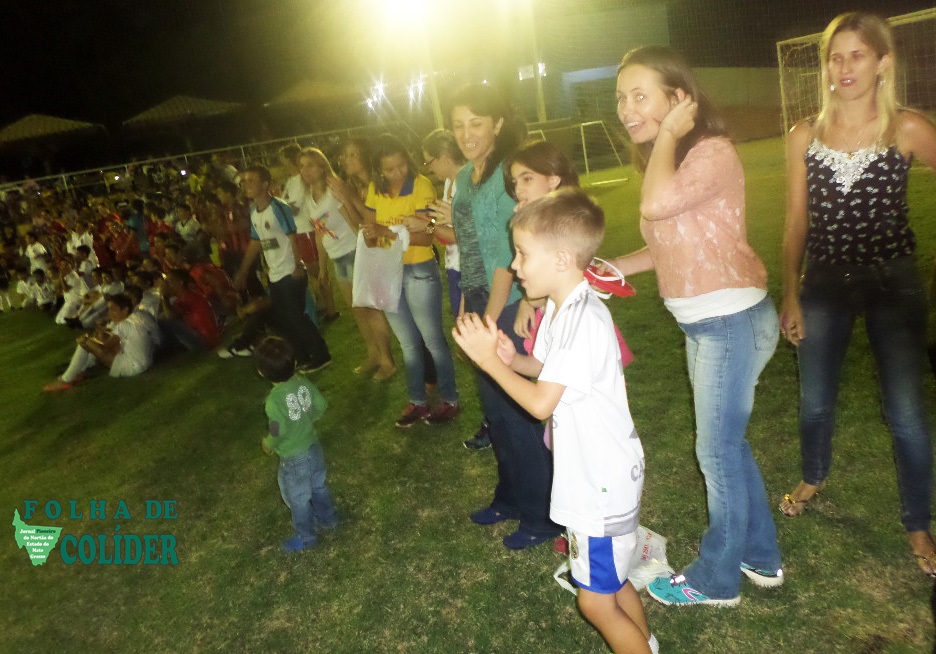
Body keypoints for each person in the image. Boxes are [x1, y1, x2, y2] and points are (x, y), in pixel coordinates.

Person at [609, 46, 782, 606]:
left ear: (680, 98)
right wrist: (615, 266)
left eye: (641, 95)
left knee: (717, 453)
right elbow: (670, 241)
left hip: (729, 320)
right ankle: (761, 555)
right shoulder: (675, 160)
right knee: (730, 446)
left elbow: (657, 207)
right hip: (710, 323)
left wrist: (666, 136)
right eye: (621, 98)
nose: (626, 109)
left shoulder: (710, 151)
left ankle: (716, 579)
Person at [452, 190, 654, 654]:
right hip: (595, 476)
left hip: (599, 486)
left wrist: (489, 363)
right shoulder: (563, 308)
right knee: (612, 583)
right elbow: (548, 371)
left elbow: (542, 404)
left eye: (523, 253)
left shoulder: (582, 319)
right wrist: (511, 359)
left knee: (596, 603)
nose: (514, 265)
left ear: (562, 259)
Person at [777, 12, 936, 577]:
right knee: (816, 400)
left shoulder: (907, 128)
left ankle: (918, 522)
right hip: (823, 281)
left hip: (894, 283)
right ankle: (813, 476)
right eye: (835, 56)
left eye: (858, 55)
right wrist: (790, 293)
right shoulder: (804, 135)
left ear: (882, 63)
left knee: (907, 413)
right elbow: (796, 221)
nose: (844, 67)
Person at [449, 83, 561, 549]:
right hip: (478, 297)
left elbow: (502, 256)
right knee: (495, 411)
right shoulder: (465, 175)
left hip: (509, 300)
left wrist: (490, 320)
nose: (466, 133)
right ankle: (511, 497)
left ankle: (543, 515)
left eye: (476, 123)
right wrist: (465, 306)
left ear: (497, 124)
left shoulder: (503, 177)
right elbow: (466, 246)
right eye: (458, 125)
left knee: (517, 413)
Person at [345, 134, 460, 427]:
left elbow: (426, 236)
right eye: (390, 169)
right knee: (408, 343)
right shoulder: (375, 188)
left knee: (432, 339)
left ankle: (450, 399)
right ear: (379, 170)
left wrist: (385, 231)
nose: (398, 173)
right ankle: (417, 401)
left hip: (419, 269)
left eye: (401, 165)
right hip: (389, 270)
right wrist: (372, 233)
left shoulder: (421, 185)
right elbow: (371, 223)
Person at [414, 129, 493, 450]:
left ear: (445, 156)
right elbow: (451, 233)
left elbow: (467, 234)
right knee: (474, 349)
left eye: (429, 161)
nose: (429, 168)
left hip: (472, 272)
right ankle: (493, 418)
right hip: (458, 268)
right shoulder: (451, 183)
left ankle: (495, 420)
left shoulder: (466, 181)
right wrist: (433, 225)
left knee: (482, 349)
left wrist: (429, 226)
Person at [234, 165, 331, 373]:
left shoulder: (278, 207)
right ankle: (301, 356)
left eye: (251, 180)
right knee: (284, 319)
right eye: (244, 181)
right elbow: (256, 241)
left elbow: (293, 236)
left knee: (295, 316)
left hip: (289, 272)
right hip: (275, 274)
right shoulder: (254, 212)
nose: (246, 185)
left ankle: (321, 355)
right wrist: (243, 270)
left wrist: (297, 265)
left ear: (265, 184)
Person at [256, 336, 338, 552]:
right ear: (294, 362)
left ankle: (306, 537)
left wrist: (268, 443)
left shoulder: (273, 401)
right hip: (313, 446)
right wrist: (308, 418)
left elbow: (277, 430)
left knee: (298, 498)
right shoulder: (302, 382)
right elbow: (321, 404)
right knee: (318, 485)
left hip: (294, 458)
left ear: (262, 372)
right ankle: (329, 519)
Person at [337, 137, 397, 381]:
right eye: (345, 155)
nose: (347, 160)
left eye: (353, 154)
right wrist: (346, 203)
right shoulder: (355, 186)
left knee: (375, 309)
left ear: (365, 155)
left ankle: (388, 362)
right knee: (367, 308)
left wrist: (350, 198)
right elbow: (360, 227)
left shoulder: (379, 182)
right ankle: (380, 357)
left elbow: (379, 218)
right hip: (372, 248)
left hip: (391, 248)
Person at [43, 293, 153, 391]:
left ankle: (65, 379)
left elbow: (103, 349)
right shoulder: (134, 318)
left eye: (113, 310)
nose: (110, 313)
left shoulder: (123, 325)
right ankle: (79, 371)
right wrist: (100, 334)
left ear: (125, 310)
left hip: (133, 366)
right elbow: (116, 341)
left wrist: (87, 340)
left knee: (85, 343)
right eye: (109, 310)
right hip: (144, 361)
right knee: (94, 341)